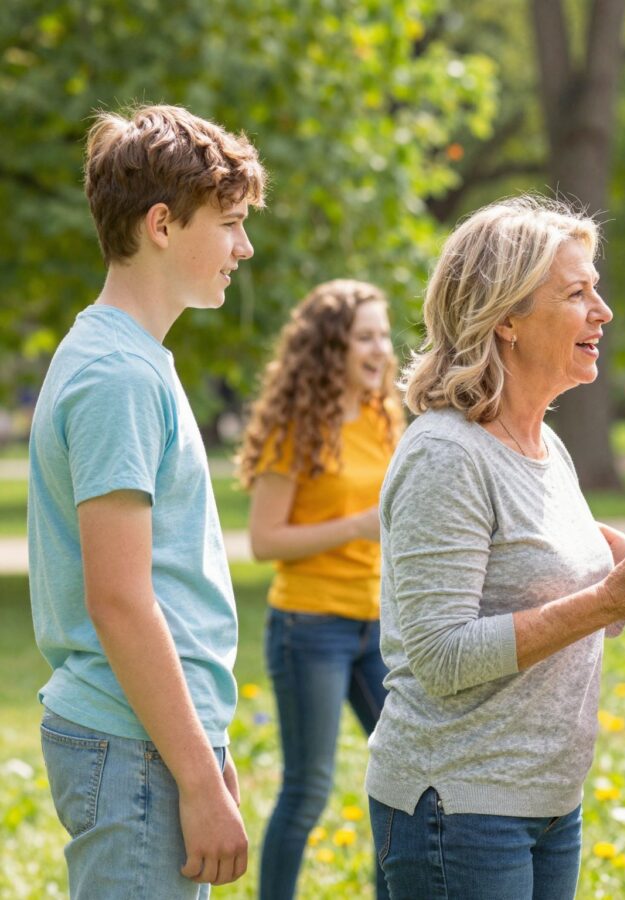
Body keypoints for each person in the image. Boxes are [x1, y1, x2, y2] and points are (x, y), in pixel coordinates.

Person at [366, 196, 625, 900]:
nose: (603, 311)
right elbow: (441, 656)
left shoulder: (546, 447)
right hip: (458, 807)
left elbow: (613, 595)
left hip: (546, 804)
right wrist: (605, 603)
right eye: (577, 294)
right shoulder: (447, 455)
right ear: (505, 317)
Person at [27, 105, 264, 897]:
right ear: (162, 224)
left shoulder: (133, 359)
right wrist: (194, 776)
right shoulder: (118, 377)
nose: (244, 248)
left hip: (153, 738)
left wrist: (204, 747)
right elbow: (120, 601)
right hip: (131, 746)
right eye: (229, 224)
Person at [235, 279, 403, 899]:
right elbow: (265, 540)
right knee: (307, 789)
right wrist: (356, 526)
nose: (380, 350)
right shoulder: (296, 428)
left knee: (406, 778)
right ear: (330, 347)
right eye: (365, 337)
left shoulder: (386, 417)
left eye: (384, 336)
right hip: (309, 627)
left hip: (379, 625)